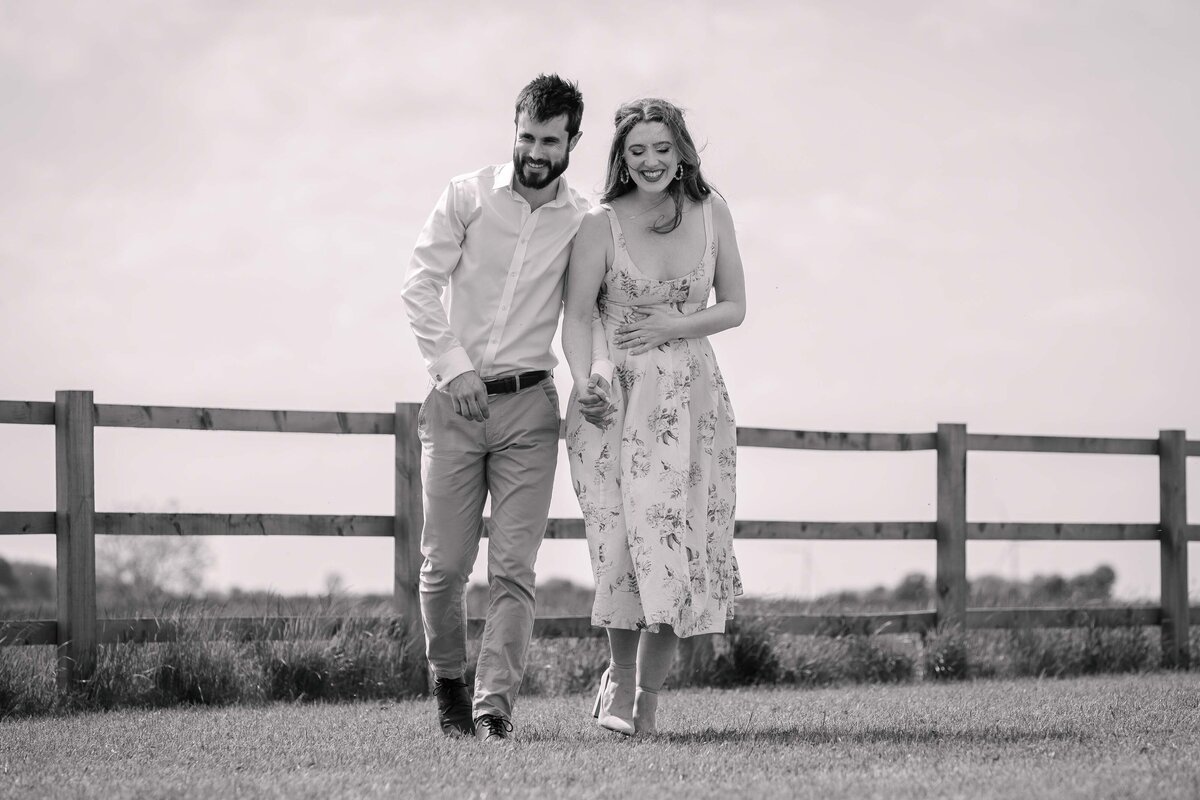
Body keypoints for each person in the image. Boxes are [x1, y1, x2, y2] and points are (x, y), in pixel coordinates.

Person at [402, 74, 610, 742]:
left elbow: (590, 311)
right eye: (527, 136)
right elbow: (419, 287)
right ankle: (450, 685)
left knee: (514, 569)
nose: (536, 151)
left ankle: (494, 707)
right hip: (453, 405)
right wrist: (452, 368)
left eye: (551, 140)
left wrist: (597, 376)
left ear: (573, 141)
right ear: (514, 130)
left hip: (530, 408)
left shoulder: (582, 221)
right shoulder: (465, 196)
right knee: (443, 568)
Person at [562, 98, 746, 736]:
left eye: (662, 148)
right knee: (621, 549)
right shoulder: (599, 225)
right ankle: (618, 684)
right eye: (637, 150)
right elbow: (579, 317)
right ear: (621, 156)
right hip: (614, 405)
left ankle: (645, 705)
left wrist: (675, 324)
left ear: (682, 150)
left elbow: (736, 306)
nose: (650, 161)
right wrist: (590, 379)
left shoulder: (712, 211)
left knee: (677, 550)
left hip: (694, 406)